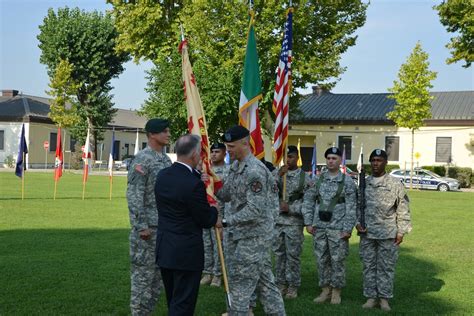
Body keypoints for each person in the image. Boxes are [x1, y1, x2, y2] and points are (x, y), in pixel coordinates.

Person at [216, 126, 285, 316]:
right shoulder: (236, 167)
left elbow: (255, 210)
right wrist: (209, 182)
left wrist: (227, 221)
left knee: (240, 282)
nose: (227, 150)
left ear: (245, 143)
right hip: (241, 234)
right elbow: (226, 194)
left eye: (231, 146)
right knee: (265, 283)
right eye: (226, 146)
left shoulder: (255, 170)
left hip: (254, 235)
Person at [155, 134, 218, 316]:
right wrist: (214, 208)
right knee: (183, 305)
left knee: (174, 300)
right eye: (200, 153)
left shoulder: (163, 175)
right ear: (194, 154)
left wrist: (199, 177)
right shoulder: (192, 184)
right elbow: (205, 219)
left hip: (166, 249)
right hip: (186, 253)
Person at [356, 149, 412, 312]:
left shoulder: (395, 184)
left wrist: (401, 231)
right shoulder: (364, 183)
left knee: (386, 267)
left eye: (379, 160)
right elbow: (357, 207)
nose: (375, 163)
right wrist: (357, 223)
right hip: (367, 233)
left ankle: (384, 298)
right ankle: (371, 297)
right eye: (373, 160)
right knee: (369, 266)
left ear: (386, 162)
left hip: (388, 233)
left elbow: (403, 208)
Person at [126, 118, 172, 316]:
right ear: (152, 134)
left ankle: (147, 312)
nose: (168, 134)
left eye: (168, 131)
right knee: (143, 278)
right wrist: (140, 225)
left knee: (157, 280)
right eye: (164, 131)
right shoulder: (142, 160)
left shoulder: (166, 160)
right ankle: (138, 313)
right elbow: (135, 195)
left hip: (164, 227)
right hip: (147, 230)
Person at [301, 146, 357, 305]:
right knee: (321, 259)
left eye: (334, 158)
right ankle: (325, 289)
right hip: (319, 227)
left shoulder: (347, 181)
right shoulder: (317, 179)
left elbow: (352, 206)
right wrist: (308, 222)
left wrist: (347, 228)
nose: (331, 161)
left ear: (340, 161)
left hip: (338, 228)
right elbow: (308, 201)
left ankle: (336, 291)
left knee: (337, 260)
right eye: (328, 158)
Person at [274, 145, 311, 299]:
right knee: (278, 254)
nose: (288, 160)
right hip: (277, 221)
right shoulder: (276, 174)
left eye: (291, 157)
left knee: (293, 255)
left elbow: (308, 202)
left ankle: (293, 285)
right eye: (286, 157)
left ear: (297, 158)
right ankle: (280, 283)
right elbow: (265, 192)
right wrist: (277, 175)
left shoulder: (305, 178)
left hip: (293, 223)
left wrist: (291, 208)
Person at [200, 143, 227, 287]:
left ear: (224, 153)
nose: (214, 154)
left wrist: (224, 219)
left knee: (218, 245)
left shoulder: (228, 171)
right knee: (206, 244)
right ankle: (207, 271)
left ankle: (217, 274)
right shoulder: (205, 171)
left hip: (220, 214)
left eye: (217, 151)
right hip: (205, 213)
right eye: (212, 151)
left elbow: (229, 196)